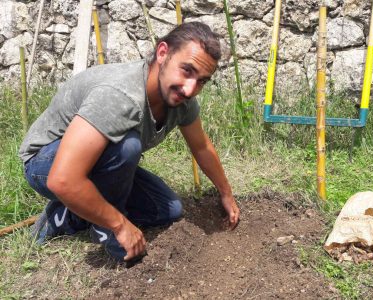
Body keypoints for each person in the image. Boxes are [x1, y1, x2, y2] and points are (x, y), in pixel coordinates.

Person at [19, 22, 240, 262]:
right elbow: (62, 179)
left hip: (91, 163)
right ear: (163, 52)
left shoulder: (182, 100)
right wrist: (119, 225)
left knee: (168, 209)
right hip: (45, 163)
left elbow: (201, 147)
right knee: (128, 146)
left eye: (202, 81)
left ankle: (68, 214)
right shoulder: (119, 95)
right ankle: (99, 223)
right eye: (187, 70)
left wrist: (225, 193)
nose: (190, 89)